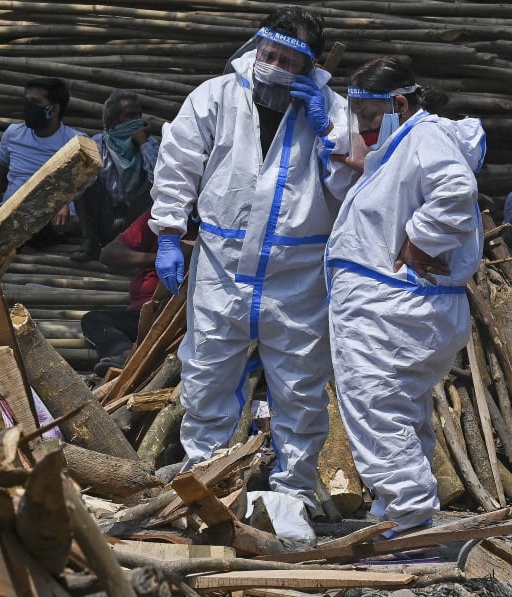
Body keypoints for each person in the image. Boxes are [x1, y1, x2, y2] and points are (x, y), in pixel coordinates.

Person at [149, 7, 356, 511]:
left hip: (298, 272)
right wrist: (170, 233)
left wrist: (329, 133)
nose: (274, 65)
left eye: (288, 59)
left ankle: (294, 493)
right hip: (222, 261)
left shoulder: (333, 109)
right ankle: (206, 479)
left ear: (309, 66)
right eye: (269, 54)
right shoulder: (215, 97)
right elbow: (178, 161)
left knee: (301, 384)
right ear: (256, 47)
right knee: (207, 371)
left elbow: (351, 188)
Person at [327, 56, 484, 538]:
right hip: (400, 305)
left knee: (376, 405)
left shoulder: (424, 137)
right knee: (400, 407)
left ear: (398, 103)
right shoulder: (408, 142)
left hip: (392, 308)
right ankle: (400, 513)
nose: (365, 128)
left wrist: (420, 239)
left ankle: (408, 519)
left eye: (371, 117)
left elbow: (456, 191)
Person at [0, 77, 87, 249]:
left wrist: (63, 202)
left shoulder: (76, 141)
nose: (29, 107)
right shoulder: (13, 133)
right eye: (27, 101)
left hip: (49, 218)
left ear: (53, 109)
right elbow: (0, 164)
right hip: (8, 211)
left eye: (35, 102)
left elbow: (84, 182)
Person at [72, 90, 160, 262]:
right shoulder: (98, 143)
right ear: (113, 121)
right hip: (105, 217)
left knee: (153, 187)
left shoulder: (150, 144)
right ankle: (91, 243)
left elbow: (159, 178)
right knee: (84, 179)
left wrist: (142, 143)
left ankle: (132, 247)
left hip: (134, 219)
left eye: (139, 115)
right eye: (130, 116)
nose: (137, 120)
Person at [81, 209, 160, 376]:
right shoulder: (161, 212)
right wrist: (158, 258)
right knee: (94, 320)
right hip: (143, 314)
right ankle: (124, 354)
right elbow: (109, 254)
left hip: (184, 317)